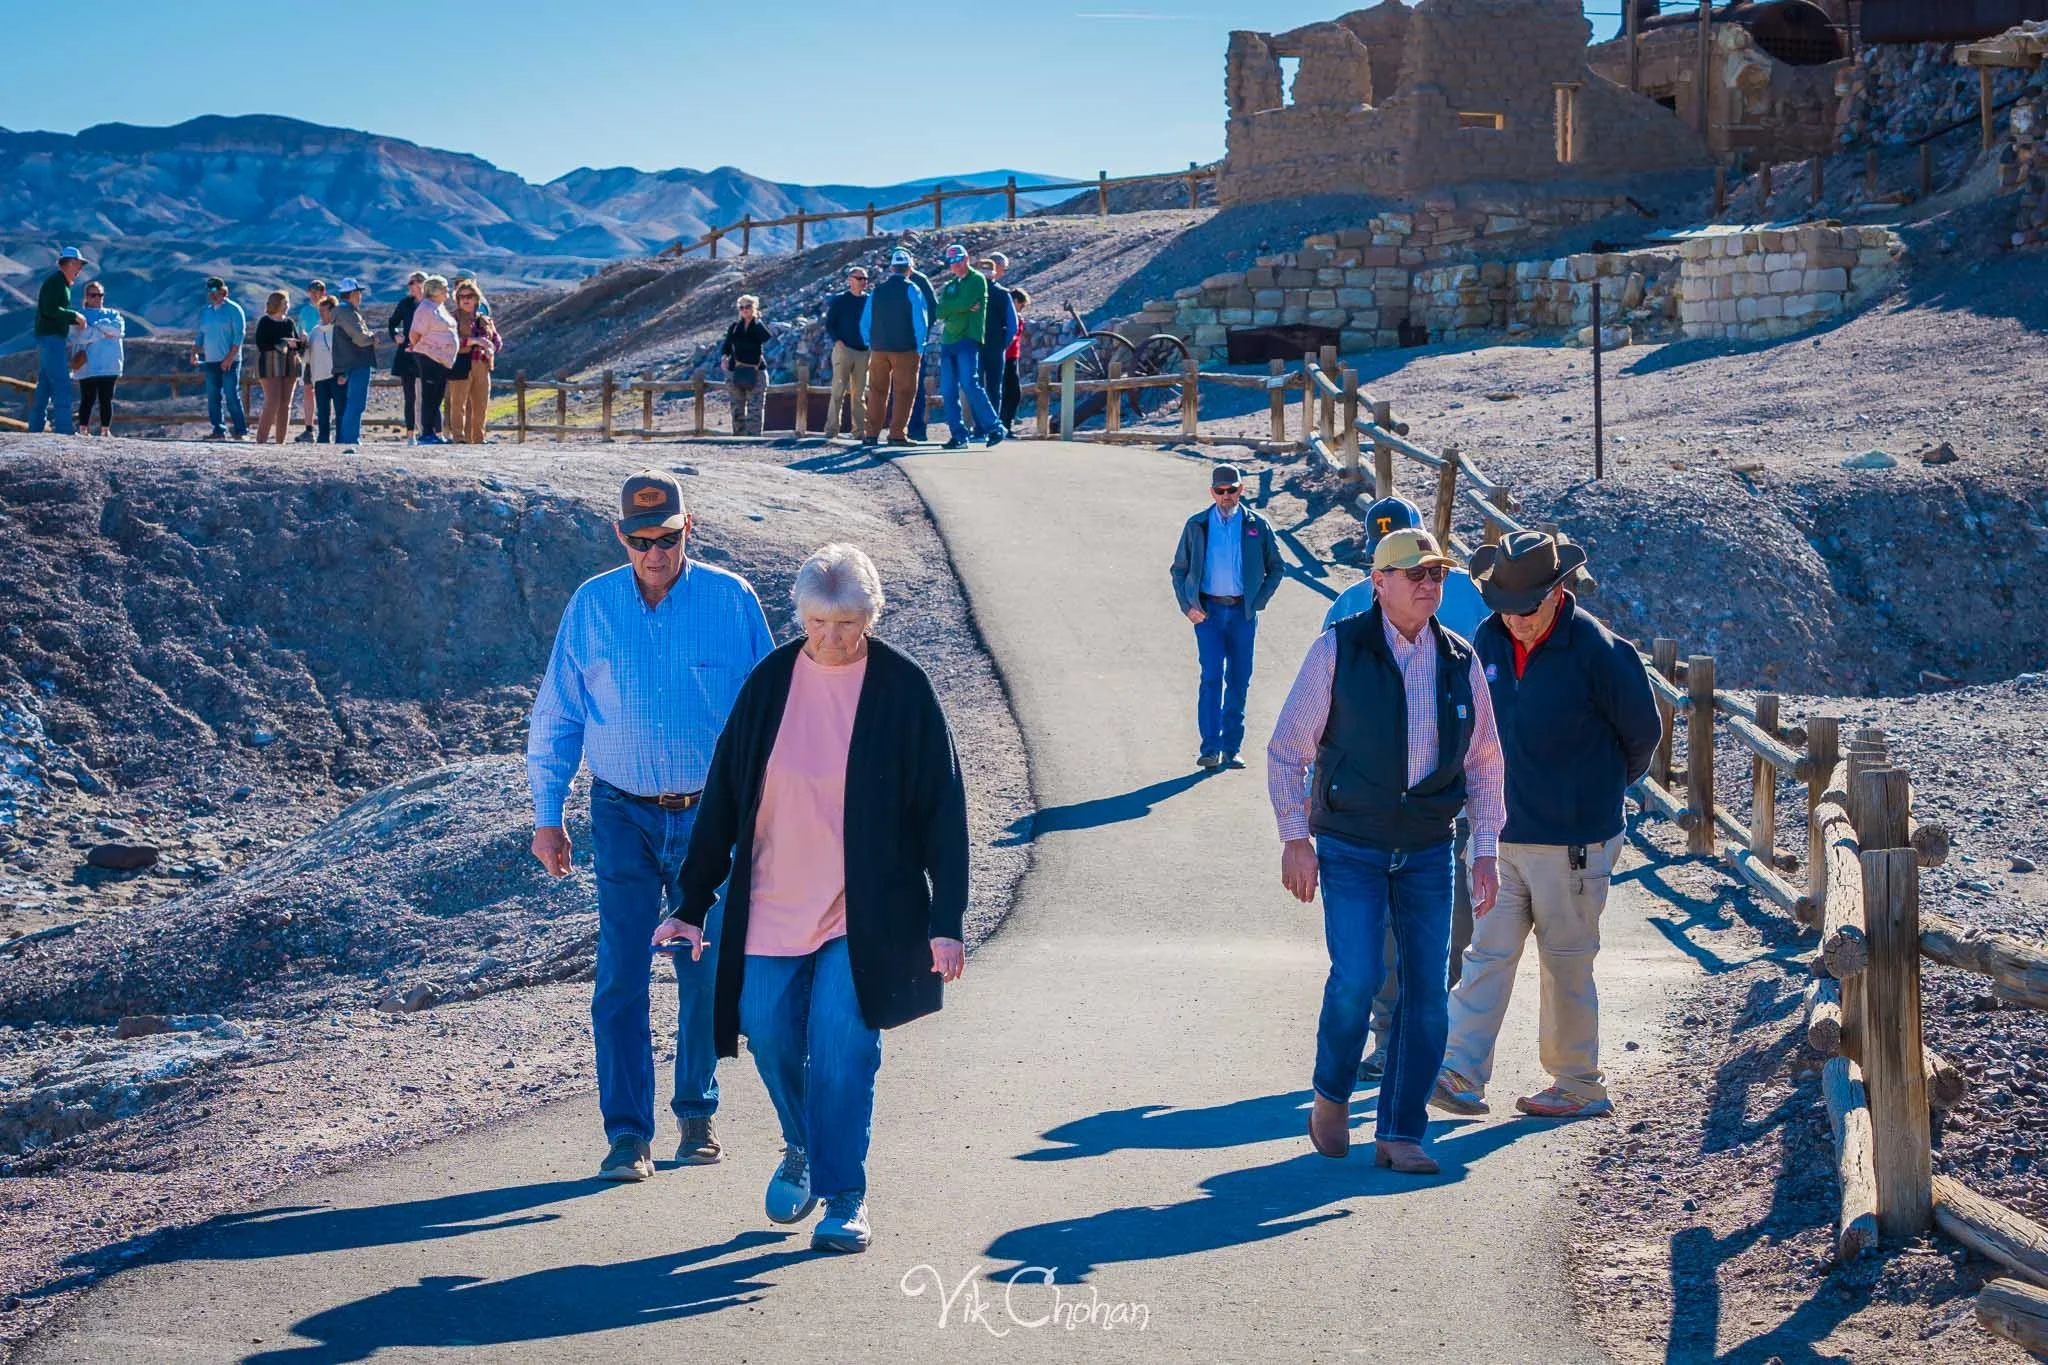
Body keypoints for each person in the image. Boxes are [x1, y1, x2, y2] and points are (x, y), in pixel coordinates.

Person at [657, 543, 969, 1254]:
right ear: (798, 614)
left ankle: (845, 1196)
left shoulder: (902, 689)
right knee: (765, 1029)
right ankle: (801, 1146)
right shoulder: (769, 685)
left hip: (866, 911)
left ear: (871, 615)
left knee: (842, 1045)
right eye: (820, 621)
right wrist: (691, 901)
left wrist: (946, 921)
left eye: (849, 621)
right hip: (771, 899)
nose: (833, 637)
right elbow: (725, 798)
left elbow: (943, 811)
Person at [526, 470, 776, 1182]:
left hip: (712, 814)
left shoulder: (731, 600)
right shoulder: (592, 604)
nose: (654, 552)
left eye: (666, 538)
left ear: (687, 528)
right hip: (621, 811)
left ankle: (696, 1111)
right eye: (640, 541)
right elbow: (559, 714)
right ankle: (627, 1134)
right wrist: (548, 816)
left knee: (704, 969)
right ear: (620, 537)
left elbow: (770, 709)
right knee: (620, 972)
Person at [1268, 527, 1506, 1174]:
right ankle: (1332, 1091)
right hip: (1350, 843)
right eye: (1416, 573)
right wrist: (1296, 837)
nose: (1430, 583)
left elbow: (1484, 760)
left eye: (1438, 574)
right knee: (1358, 978)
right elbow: (1289, 749)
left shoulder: (1460, 659)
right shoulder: (1336, 650)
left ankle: (1401, 1130)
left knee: (1428, 991)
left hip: (1428, 847)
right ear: (1379, 582)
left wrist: (1484, 850)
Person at [1433, 531, 1661, 1121]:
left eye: (1525, 608)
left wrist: (1591, 796)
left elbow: (1643, 739)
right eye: (1503, 608)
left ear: (1558, 592)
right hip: (1497, 836)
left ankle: (1578, 1083)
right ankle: (1458, 1070)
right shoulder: (1486, 637)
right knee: (1486, 954)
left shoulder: (1602, 651)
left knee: (1565, 963)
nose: (1514, 621)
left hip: (1574, 843)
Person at [1325, 496, 1489, 1082]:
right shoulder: (1356, 607)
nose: (1423, 582)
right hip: (1394, 802)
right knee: (1422, 923)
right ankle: (1403, 1036)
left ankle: (1413, 1034)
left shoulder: (1460, 596)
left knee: (1435, 922)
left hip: (1446, 792)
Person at [1169, 463, 1284, 770]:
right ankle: (1210, 748)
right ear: (1212, 492)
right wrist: (1188, 606)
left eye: (1231, 490)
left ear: (1240, 490)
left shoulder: (1256, 525)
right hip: (1208, 613)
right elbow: (1179, 569)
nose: (1226, 496)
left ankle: (1231, 748)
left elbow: (1277, 567)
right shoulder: (1197, 525)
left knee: (1238, 679)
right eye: (1220, 491)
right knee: (1210, 678)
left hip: (1243, 612)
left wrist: (1258, 601)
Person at [934, 244, 1005, 450]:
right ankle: (958, 435)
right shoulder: (950, 285)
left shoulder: (977, 280)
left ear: (966, 259)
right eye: (951, 263)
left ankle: (994, 427)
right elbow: (940, 311)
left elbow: (962, 302)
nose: (955, 266)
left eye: (958, 261)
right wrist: (961, 308)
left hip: (967, 339)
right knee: (948, 391)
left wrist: (955, 308)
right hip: (948, 341)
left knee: (970, 383)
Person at [859, 249, 931, 446]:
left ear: (891, 268)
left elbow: (866, 320)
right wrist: (920, 347)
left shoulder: (877, 291)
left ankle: (871, 434)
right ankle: (897, 434)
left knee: (876, 391)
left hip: (879, 349)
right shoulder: (912, 289)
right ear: (910, 268)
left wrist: (869, 342)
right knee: (904, 392)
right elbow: (920, 321)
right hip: (905, 349)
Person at [27, 247, 89, 435]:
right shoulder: (57, 283)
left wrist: (72, 318)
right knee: (61, 383)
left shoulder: (60, 283)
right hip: (52, 338)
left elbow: (53, 311)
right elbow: (51, 310)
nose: (80, 269)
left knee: (45, 386)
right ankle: (64, 431)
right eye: (78, 264)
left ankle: (35, 428)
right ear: (69, 263)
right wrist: (75, 315)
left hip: (49, 338)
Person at [192, 276, 249, 441]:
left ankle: (240, 430)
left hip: (230, 360)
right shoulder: (206, 312)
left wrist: (230, 358)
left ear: (224, 291)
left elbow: (239, 335)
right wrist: (194, 351)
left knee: (232, 395)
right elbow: (201, 334)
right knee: (213, 396)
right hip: (211, 360)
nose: (212, 294)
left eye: (215, 291)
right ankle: (218, 429)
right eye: (209, 291)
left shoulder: (234, 309)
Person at [406, 275, 459, 446]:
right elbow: (415, 332)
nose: (448, 291)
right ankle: (427, 433)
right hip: (429, 357)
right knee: (429, 395)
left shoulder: (439, 307)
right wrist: (417, 346)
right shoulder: (426, 308)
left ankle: (433, 433)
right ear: (435, 291)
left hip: (442, 359)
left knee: (437, 396)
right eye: (445, 288)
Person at [446, 280, 500, 444]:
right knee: (458, 403)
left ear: (476, 298)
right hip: (462, 363)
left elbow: (497, 340)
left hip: (482, 365)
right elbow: (450, 342)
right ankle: (458, 437)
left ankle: (478, 438)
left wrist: (492, 349)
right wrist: (474, 341)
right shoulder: (452, 319)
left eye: (469, 296)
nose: (465, 299)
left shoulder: (485, 319)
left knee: (480, 403)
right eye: (461, 297)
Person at [69, 279, 125, 437]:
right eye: (93, 295)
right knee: (87, 398)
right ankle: (83, 430)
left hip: (109, 363)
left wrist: (94, 328)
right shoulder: (79, 316)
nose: (97, 298)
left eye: (100, 295)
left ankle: (105, 430)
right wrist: (104, 331)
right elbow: (79, 336)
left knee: (106, 399)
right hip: (89, 363)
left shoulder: (114, 314)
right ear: (86, 296)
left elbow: (118, 329)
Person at [822, 266, 871, 441]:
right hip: (844, 350)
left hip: (864, 351)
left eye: (865, 279)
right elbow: (830, 324)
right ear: (850, 280)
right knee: (838, 390)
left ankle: (859, 431)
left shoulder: (869, 301)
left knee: (859, 394)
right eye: (859, 278)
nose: (863, 282)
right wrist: (838, 341)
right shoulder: (840, 300)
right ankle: (831, 430)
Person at [330, 278, 376, 448]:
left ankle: (346, 437)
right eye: (359, 293)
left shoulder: (341, 312)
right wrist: (372, 338)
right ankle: (350, 438)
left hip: (347, 362)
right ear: (353, 294)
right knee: (356, 402)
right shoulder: (347, 313)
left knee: (351, 402)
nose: (360, 297)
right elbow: (360, 338)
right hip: (357, 361)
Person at [253, 290, 304, 444]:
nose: (287, 306)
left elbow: (296, 344)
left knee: (285, 404)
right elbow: (262, 344)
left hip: (289, 366)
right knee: (272, 401)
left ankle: (280, 441)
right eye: (285, 303)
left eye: (287, 303)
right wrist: (283, 342)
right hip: (269, 366)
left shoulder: (289, 322)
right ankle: (261, 439)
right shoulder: (265, 322)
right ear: (277, 304)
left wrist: (298, 343)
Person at [721, 295, 772, 436]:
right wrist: (724, 357)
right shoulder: (735, 327)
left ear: (754, 308)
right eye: (741, 307)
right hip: (735, 370)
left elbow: (766, 337)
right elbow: (726, 345)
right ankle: (739, 437)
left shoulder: (757, 325)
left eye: (748, 307)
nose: (744, 310)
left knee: (755, 408)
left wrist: (755, 320)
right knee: (737, 408)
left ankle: (753, 438)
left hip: (756, 371)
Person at [975, 255, 1017, 423]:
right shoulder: (1003, 294)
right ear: (994, 274)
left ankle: (978, 425)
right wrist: (1002, 345)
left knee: (977, 387)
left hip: (974, 345)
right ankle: (992, 425)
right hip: (995, 346)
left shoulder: (972, 294)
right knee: (994, 388)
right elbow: (1012, 326)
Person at [903, 253, 939, 443]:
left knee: (915, 387)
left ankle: (916, 428)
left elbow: (933, 309)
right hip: (895, 343)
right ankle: (895, 427)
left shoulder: (920, 281)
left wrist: (921, 333)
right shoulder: (893, 282)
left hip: (916, 344)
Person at [387, 271, 426, 438]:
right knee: (409, 395)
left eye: (413, 282)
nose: (410, 286)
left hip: (426, 353)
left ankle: (429, 431)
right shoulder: (405, 304)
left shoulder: (431, 304)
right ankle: (410, 434)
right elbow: (392, 323)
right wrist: (395, 335)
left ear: (423, 284)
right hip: (407, 354)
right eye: (409, 283)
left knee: (427, 395)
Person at [292, 280, 328, 441]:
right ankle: (309, 428)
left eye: (318, 290)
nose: (314, 294)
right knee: (308, 389)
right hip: (309, 355)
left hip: (326, 356)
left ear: (323, 292)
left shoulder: (329, 309)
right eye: (311, 291)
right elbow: (300, 331)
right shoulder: (305, 311)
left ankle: (325, 427)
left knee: (324, 391)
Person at [308, 296, 338, 443]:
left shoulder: (339, 330)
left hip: (337, 376)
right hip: (319, 377)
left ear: (332, 311)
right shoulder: (315, 331)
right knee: (323, 412)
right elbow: (308, 354)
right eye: (320, 311)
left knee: (340, 411)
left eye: (324, 311)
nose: (321, 314)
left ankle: (341, 439)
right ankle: (323, 439)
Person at [999, 285, 1029, 430]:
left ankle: (1006, 422)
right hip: (1008, 356)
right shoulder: (1012, 317)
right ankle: (1005, 423)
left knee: (1011, 392)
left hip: (1012, 356)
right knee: (1011, 392)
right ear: (1016, 301)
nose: (1021, 309)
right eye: (1021, 305)